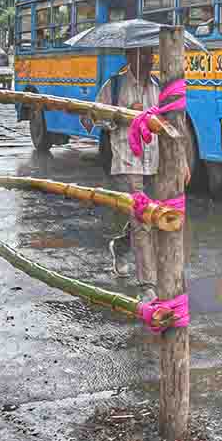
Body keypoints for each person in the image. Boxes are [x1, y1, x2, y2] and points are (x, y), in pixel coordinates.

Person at [87, 47, 160, 299]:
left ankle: (121, 245)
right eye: (144, 55)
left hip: (154, 164)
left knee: (151, 218)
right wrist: (124, 115)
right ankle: (147, 286)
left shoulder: (157, 86)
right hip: (127, 162)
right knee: (142, 220)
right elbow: (94, 117)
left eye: (152, 55)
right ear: (130, 57)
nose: (150, 60)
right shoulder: (115, 85)